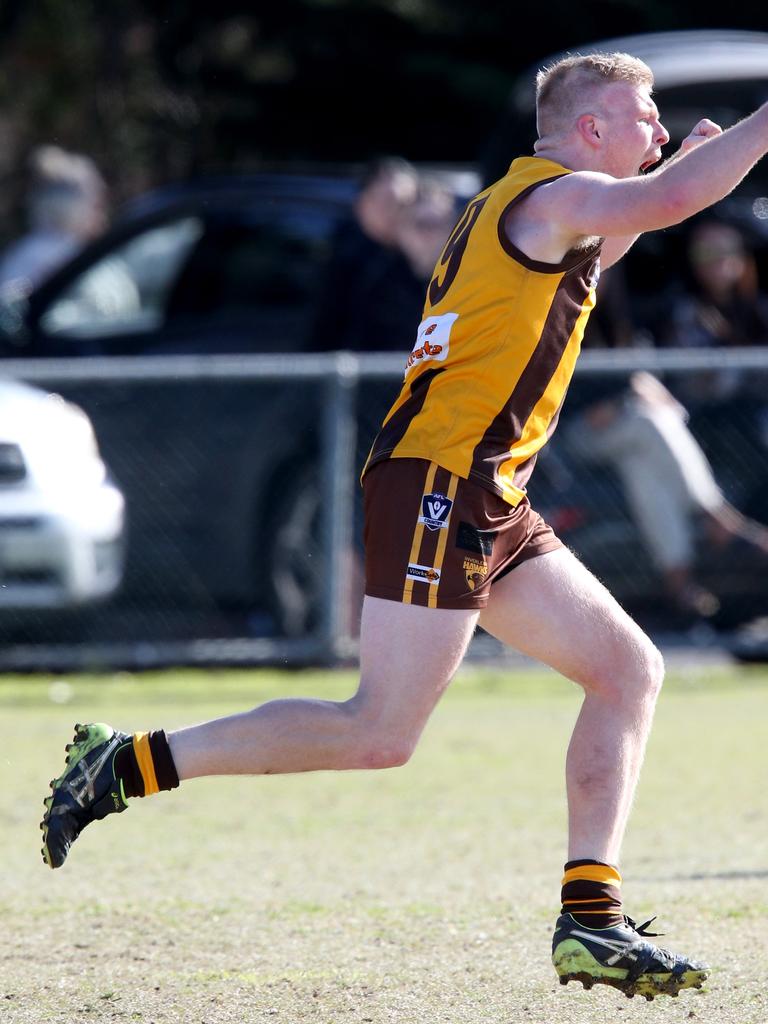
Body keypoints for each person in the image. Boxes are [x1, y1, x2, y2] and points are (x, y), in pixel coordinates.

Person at [45, 49, 768, 1000]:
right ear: (589, 130)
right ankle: (127, 762)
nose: (661, 133)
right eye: (646, 117)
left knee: (628, 669)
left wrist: (685, 172)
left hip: (483, 493)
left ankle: (591, 922)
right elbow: (664, 203)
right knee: (379, 730)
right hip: (440, 482)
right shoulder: (550, 195)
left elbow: (647, 213)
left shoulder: (537, 204)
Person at [311, 156, 418, 350]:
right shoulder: (341, 260)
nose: (398, 213)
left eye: (406, 204)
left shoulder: (415, 259)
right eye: (389, 202)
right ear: (363, 203)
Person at [0, 145, 108, 299]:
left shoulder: (77, 250)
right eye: (95, 202)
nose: (101, 210)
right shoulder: (44, 256)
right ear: (66, 206)